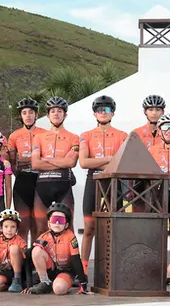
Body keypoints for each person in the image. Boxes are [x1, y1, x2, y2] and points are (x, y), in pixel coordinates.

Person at [78, 95, 126, 272]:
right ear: (94, 114)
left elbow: (123, 162)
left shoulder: (122, 135)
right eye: (99, 110)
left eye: (106, 109)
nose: (103, 113)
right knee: (89, 228)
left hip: (114, 182)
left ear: (112, 113)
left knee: (114, 229)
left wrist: (96, 160)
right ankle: (82, 271)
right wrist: (109, 159)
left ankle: (113, 268)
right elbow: (83, 163)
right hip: (94, 181)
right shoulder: (86, 135)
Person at [31, 96, 79, 237]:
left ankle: (71, 259)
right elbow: (35, 164)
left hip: (63, 186)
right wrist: (61, 160)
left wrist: (45, 159)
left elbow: (71, 163)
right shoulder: (38, 137)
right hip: (42, 187)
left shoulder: (74, 137)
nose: (56, 114)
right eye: (53, 111)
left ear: (65, 114)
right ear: (48, 115)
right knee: (40, 229)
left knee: (68, 228)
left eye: (59, 111)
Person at [23, 202, 89, 295]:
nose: (57, 223)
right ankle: (45, 282)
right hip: (51, 269)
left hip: (65, 270)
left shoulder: (70, 236)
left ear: (66, 225)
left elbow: (76, 259)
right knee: (36, 250)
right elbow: (28, 256)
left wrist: (83, 282)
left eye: (61, 220)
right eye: (54, 219)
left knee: (59, 289)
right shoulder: (44, 236)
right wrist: (29, 286)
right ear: (49, 223)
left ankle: (58, 283)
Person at [8, 97, 45, 243]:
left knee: (39, 225)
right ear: (20, 115)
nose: (28, 115)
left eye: (31, 112)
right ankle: (23, 261)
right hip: (22, 182)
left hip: (40, 181)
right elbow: (12, 163)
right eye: (24, 113)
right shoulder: (14, 136)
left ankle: (36, 257)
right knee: (23, 225)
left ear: (36, 115)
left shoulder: (45, 133)